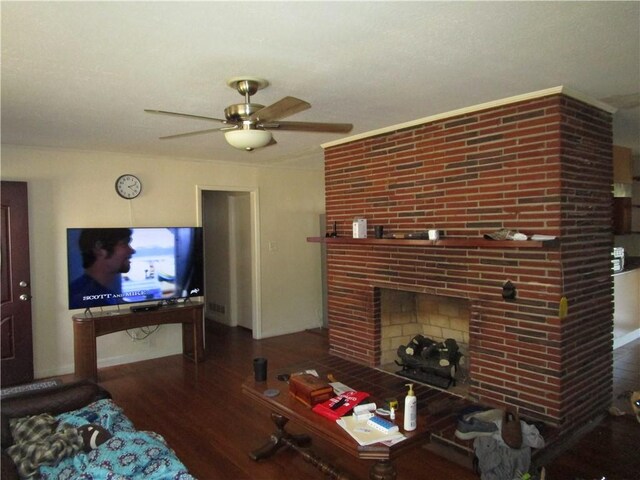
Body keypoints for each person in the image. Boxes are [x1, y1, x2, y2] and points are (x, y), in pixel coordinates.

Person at [69, 228, 135, 309]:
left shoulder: (103, 294)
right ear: (99, 249)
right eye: (124, 244)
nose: (132, 250)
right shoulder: (83, 299)